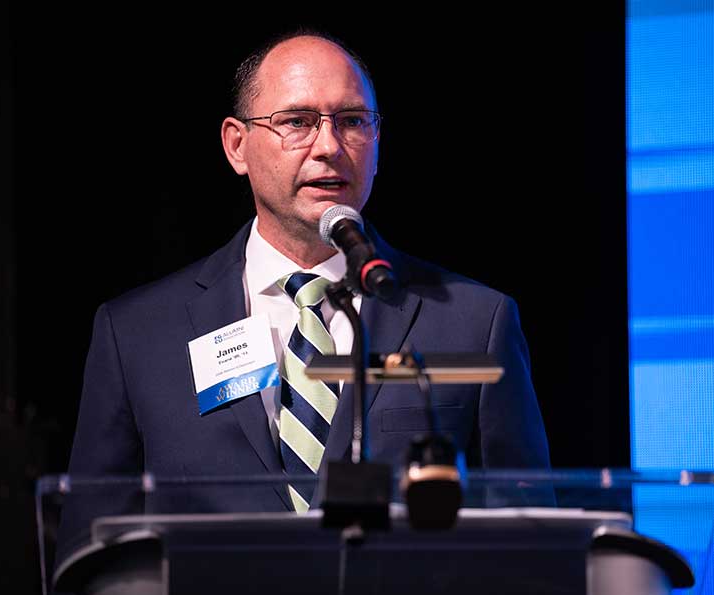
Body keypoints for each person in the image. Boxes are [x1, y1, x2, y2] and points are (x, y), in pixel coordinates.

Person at [66, 31, 550, 512]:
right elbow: (92, 555)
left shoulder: (475, 324)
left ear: (377, 141)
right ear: (237, 146)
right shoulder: (137, 335)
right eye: (297, 121)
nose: (329, 146)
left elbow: (532, 545)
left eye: (352, 121)